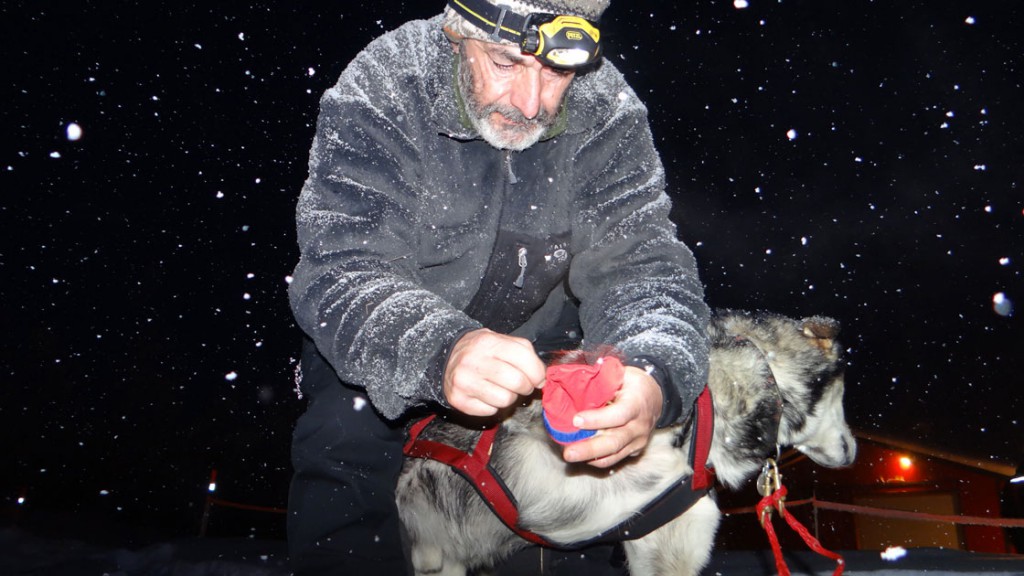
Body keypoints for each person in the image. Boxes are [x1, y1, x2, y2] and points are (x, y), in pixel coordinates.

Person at [286, 0, 711, 573]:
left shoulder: (606, 106)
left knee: (584, 484)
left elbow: (644, 268)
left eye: (558, 73)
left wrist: (652, 376)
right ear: (457, 34)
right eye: (506, 63)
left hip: (541, 346)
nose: (531, 103)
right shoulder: (388, 82)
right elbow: (342, 266)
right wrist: (443, 348)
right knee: (343, 442)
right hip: (390, 334)